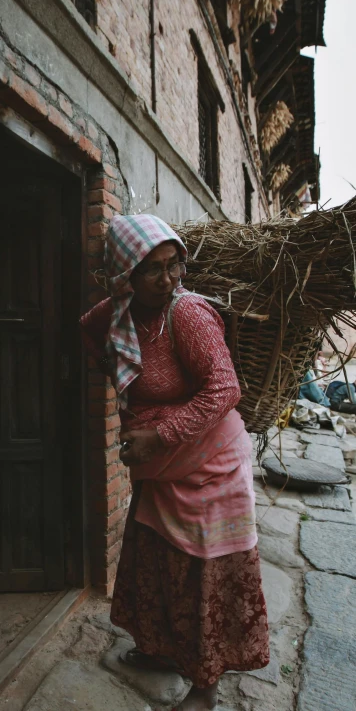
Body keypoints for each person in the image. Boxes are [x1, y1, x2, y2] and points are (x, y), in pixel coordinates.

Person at [80, 214, 269, 711]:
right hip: (163, 468)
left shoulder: (186, 315)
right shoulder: (118, 312)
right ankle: (163, 650)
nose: (168, 278)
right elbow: (86, 331)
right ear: (127, 275)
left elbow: (226, 389)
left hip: (211, 466)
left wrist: (159, 432)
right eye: (153, 269)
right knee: (159, 563)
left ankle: (205, 688)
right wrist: (127, 397)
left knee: (201, 576)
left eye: (174, 264)